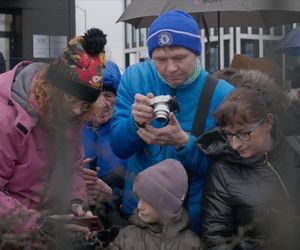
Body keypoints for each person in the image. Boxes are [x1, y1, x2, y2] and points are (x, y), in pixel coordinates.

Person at [109, 9, 234, 233]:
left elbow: (224, 170)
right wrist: (133, 123)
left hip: (191, 219)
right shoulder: (134, 77)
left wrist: (184, 143)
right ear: (150, 57)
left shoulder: (222, 95)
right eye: (160, 59)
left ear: (196, 52)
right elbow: (119, 148)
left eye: (179, 58)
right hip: (138, 211)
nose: (171, 68)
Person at [0, 27, 106, 246]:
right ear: (48, 88)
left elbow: (73, 168)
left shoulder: (68, 115)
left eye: (86, 104)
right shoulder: (6, 118)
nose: (78, 111)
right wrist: (37, 223)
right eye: (71, 100)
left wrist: (76, 204)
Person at [197, 70, 300, 250]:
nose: (235, 145)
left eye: (244, 133)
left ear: (268, 122)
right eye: (229, 135)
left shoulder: (294, 150)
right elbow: (215, 240)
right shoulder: (222, 173)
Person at [106, 159, 202, 250]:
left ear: (167, 205)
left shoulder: (192, 244)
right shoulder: (127, 236)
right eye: (139, 198)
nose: (140, 206)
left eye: (147, 201)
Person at [82, 60, 126, 209]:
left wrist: (112, 195)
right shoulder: (66, 132)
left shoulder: (127, 135)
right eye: (94, 95)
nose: (101, 104)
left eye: (108, 95)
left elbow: (143, 192)